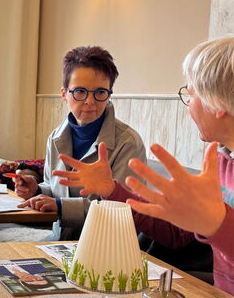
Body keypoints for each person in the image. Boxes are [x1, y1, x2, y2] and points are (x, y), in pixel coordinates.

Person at [53, 37, 234, 298]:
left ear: (218, 104)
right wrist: (112, 191)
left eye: (190, 94)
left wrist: (219, 223)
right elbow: (178, 235)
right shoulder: (224, 157)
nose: (188, 105)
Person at [15, 46, 146, 240]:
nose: (90, 101)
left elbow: (122, 209)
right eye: (80, 91)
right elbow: (55, 188)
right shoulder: (56, 137)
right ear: (64, 94)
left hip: (106, 246)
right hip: (60, 243)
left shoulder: (128, 143)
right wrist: (36, 189)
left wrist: (61, 206)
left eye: (100, 92)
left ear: (109, 94)